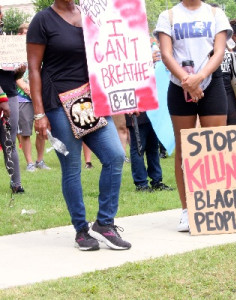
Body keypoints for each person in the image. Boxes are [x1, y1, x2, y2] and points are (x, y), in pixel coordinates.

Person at [27, 0, 131, 251]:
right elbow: (33, 68)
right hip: (58, 102)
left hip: (90, 100)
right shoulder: (42, 20)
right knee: (72, 167)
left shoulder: (92, 16)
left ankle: (104, 224)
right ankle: (81, 230)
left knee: (115, 156)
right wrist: (39, 114)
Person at [154, 0, 232, 232]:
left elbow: (219, 51)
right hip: (179, 86)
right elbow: (166, 54)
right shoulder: (167, 16)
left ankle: (215, 208)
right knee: (184, 149)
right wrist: (187, 82)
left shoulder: (215, 13)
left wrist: (200, 77)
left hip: (212, 82)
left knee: (215, 149)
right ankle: (187, 210)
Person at [16, 23, 51, 172]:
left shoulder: (39, 50)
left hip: (39, 97)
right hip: (22, 98)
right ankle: (30, 162)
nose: (27, 36)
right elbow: (13, 75)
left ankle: (40, 160)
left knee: (41, 130)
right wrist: (25, 87)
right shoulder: (14, 52)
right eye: (25, 33)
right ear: (19, 35)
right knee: (25, 132)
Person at [125, 112, 173, 192]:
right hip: (137, 114)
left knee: (153, 148)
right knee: (138, 150)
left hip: (153, 115)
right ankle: (141, 184)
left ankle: (156, 181)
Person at [0, 64, 26, 193]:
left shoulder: (9, 46)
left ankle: (16, 184)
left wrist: (19, 73)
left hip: (10, 95)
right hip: (4, 98)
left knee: (10, 142)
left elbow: (10, 77)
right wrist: (2, 98)